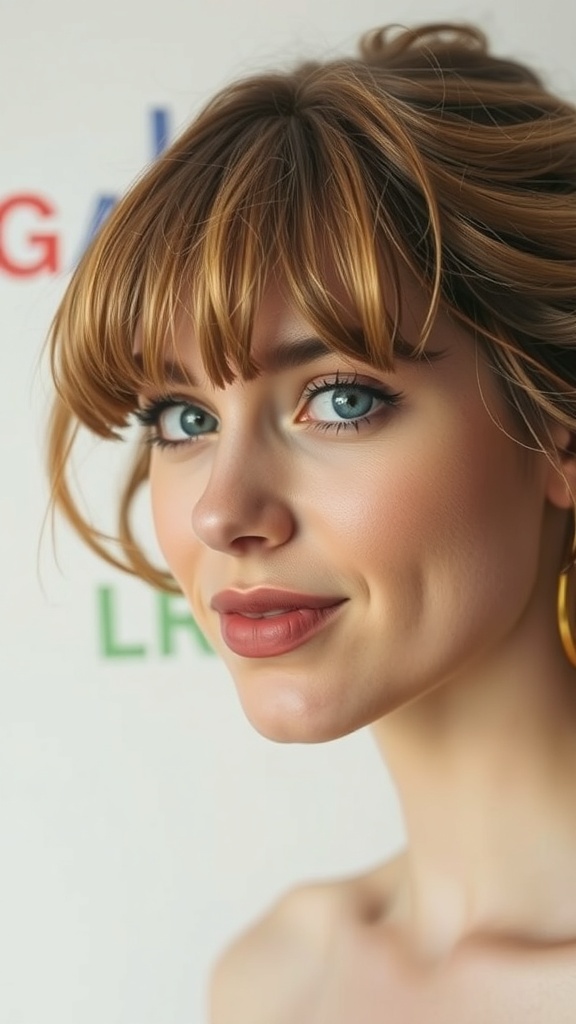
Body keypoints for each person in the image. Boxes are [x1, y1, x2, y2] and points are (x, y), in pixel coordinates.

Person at [47, 20, 576, 1022]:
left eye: (338, 398)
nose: (222, 511)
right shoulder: (274, 981)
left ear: (560, 434)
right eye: (183, 418)